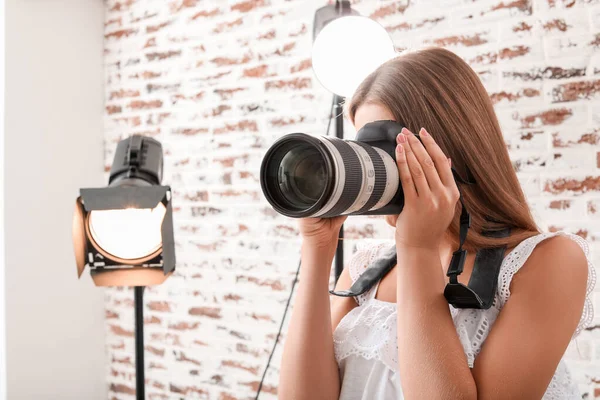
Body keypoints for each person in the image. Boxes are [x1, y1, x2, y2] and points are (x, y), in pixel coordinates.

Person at [277, 47, 595, 399]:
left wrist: (418, 248)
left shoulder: (548, 261)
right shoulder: (367, 269)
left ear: (454, 147)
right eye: (363, 148)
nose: (372, 166)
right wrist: (317, 248)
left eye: (390, 148)